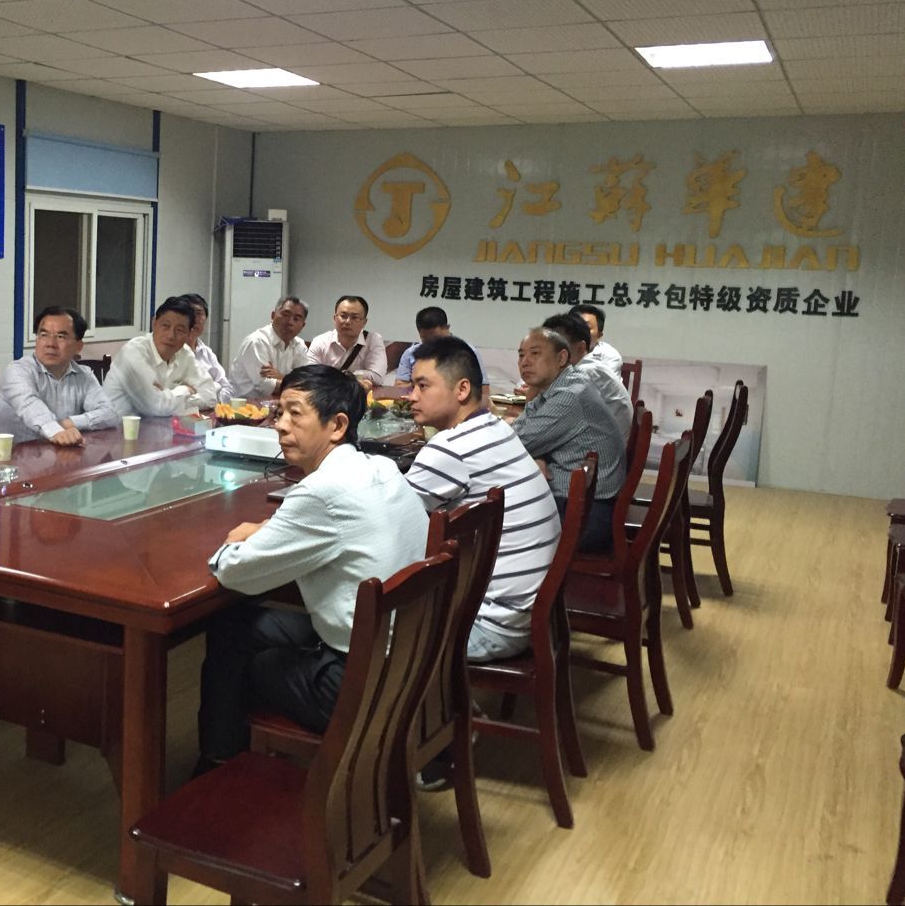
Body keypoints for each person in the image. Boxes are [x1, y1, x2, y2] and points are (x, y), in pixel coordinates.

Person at [195, 365, 428, 774]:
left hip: (361, 682)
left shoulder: (321, 492)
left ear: (337, 425)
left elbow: (233, 572)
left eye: (295, 413)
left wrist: (236, 541)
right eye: (279, 412)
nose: (280, 426)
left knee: (248, 662)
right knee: (235, 627)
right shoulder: (381, 467)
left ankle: (223, 768)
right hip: (407, 655)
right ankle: (224, 757)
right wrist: (275, 530)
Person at [403, 335, 562, 790]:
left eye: (422, 385)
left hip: (496, 624)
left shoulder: (449, 449)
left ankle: (435, 742)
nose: (410, 396)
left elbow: (389, 519)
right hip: (533, 612)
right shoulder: (494, 429)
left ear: (461, 390)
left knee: (375, 629)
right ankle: (451, 711)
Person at [510, 328, 625, 553]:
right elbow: (524, 431)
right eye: (521, 355)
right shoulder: (560, 385)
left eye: (535, 354)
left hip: (586, 516)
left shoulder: (570, 394)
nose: (525, 362)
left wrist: (533, 450)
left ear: (562, 358)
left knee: (488, 520)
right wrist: (537, 454)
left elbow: (513, 444)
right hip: (580, 503)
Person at [0, 306, 117, 446]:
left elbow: (110, 414)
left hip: (61, 453)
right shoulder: (17, 371)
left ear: (78, 346)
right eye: (44, 335)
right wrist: (56, 431)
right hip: (13, 456)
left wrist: (69, 423)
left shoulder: (84, 375)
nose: (50, 344)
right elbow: (31, 407)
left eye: (60, 337)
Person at [104, 296, 219, 416]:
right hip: (114, 426)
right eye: (165, 326)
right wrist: (185, 390)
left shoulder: (185, 353)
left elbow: (210, 397)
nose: (171, 336)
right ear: (154, 324)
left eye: (180, 330)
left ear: (189, 334)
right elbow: (156, 407)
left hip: (159, 425)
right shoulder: (134, 352)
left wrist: (167, 397)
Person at [541, 312, 632, 438]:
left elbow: (550, 418)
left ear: (581, 347)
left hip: (596, 446)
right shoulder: (582, 367)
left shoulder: (586, 371)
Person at [394, 306, 491, 400]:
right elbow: (399, 388)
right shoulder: (411, 354)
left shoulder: (467, 351)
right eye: (426, 340)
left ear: (447, 328)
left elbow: (484, 390)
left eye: (436, 339)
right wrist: (420, 384)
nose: (433, 345)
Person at [228, 295, 310, 399]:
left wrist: (281, 376)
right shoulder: (257, 342)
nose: (290, 322)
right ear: (273, 315)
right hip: (243, 404)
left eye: (296, 319)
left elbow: (308, 382)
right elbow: (265, 386)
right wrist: (294, 382)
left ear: (302, 326)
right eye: (285, 315)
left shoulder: (299, 345)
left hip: (277, 403)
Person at [305, 295, 387, 389]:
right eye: (343, 316)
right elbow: (309, 374)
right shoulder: (320, 341)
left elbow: (377, 377)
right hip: (326, 394)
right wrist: (355, 377)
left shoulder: (373, 340)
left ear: (364, 322)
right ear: (335, 318)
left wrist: (344, 375)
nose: (347, 321)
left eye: (355, 317)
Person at [181, 293, 234, 401]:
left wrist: (208, 394)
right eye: (188, 313)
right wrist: (214, 388)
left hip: (211, 410)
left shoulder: (206, 353)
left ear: (206, 318)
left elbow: (227, 389)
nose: (194, 319)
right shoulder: (171, 352)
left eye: (198, 313)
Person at [572, 303, 623, 377]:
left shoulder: (609, 356)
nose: (578, 331)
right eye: (573, 326)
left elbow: (601, 384)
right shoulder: (558, 349)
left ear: (599, 335)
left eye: (586, 327)